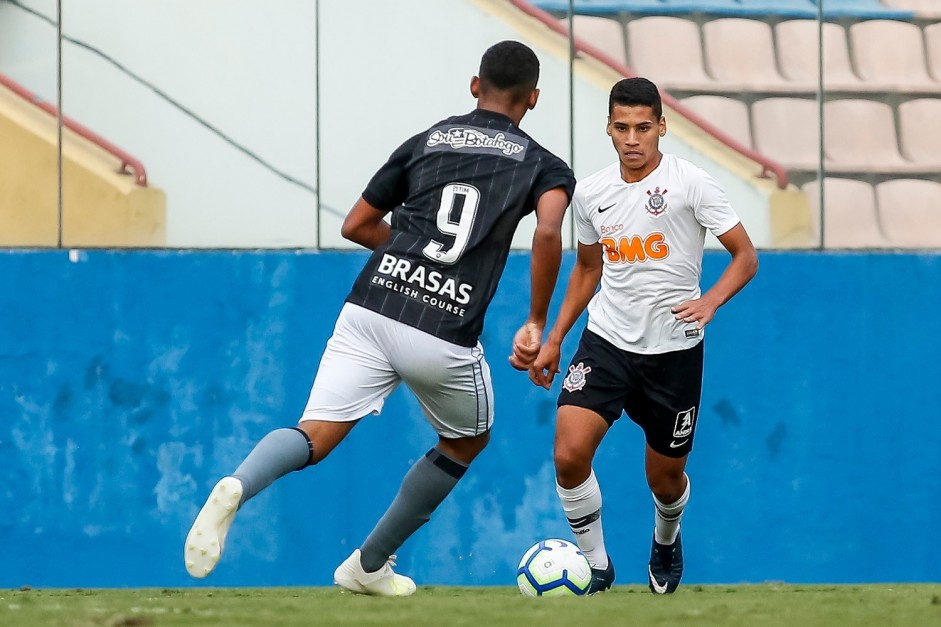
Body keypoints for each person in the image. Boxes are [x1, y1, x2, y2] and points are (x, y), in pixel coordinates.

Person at [183, 40, 575, 596]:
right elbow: (551, 230)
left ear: (473, 85)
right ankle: (369, 564)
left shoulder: (426, 141)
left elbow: (357, 224)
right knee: (467, 440)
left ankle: (238, 484)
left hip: (371, 305)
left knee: (313, 433)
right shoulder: (542, 164)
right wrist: (536, 319)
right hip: (444, 326)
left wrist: (407, 254)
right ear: (533, 99)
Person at [520, 77, 758, 595]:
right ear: (608, 129)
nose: (632, 138)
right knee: (568, 455)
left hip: (674, 354)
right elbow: (587, 269)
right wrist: (557, 335)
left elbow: (746, 256)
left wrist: (710, 300)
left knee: (665, 480)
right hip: (606, 343)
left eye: (643, 128)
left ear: (661, 127)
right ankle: (596, 564)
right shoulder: (592, 193)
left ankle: (666, 539)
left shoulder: (692, 184)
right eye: (622, 128)